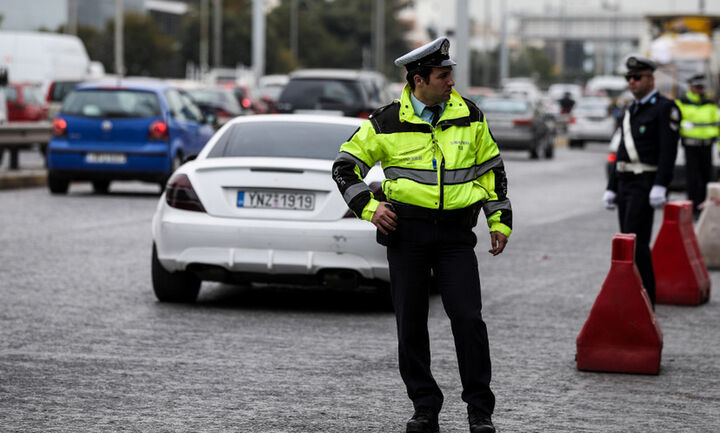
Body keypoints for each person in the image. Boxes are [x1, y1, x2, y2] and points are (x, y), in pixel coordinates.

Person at [332, 37, 511, 433]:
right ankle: (424, 407)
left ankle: (479, 410)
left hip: (455, 238)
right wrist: (368, 207)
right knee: (411, 325)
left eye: (450, 75)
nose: (451, 82)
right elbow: (344, 167)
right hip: (406, 234)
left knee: (468, 320)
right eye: (443, 75)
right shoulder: (385, 121)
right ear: (418, 80)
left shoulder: (471, 115)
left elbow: (492, 173)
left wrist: (499, 222)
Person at [603, 56, 680, 306]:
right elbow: (622, 151)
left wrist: (661, 184)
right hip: (625, 182)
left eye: (637, 77)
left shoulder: (664, 108)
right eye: (629, 78)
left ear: (651, 79)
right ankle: (631, 296)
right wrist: (612, 186)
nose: (632, 82)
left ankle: (647, 300)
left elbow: (668, 152)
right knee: (627, 241)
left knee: (637, 245)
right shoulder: (630, 109)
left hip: (645, 183)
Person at [675, 74, 720, 219]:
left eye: (702, 87)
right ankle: (693, 209)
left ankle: (704, 208)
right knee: (692, 179)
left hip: (707, 146)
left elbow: (717, 126)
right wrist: (683, 125)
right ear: (691, 87)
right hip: (690, 146)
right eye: (697, 87)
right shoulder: (682, 103)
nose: (700, 90)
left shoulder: (710, 104)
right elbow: (675, 123)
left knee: (707, 178)